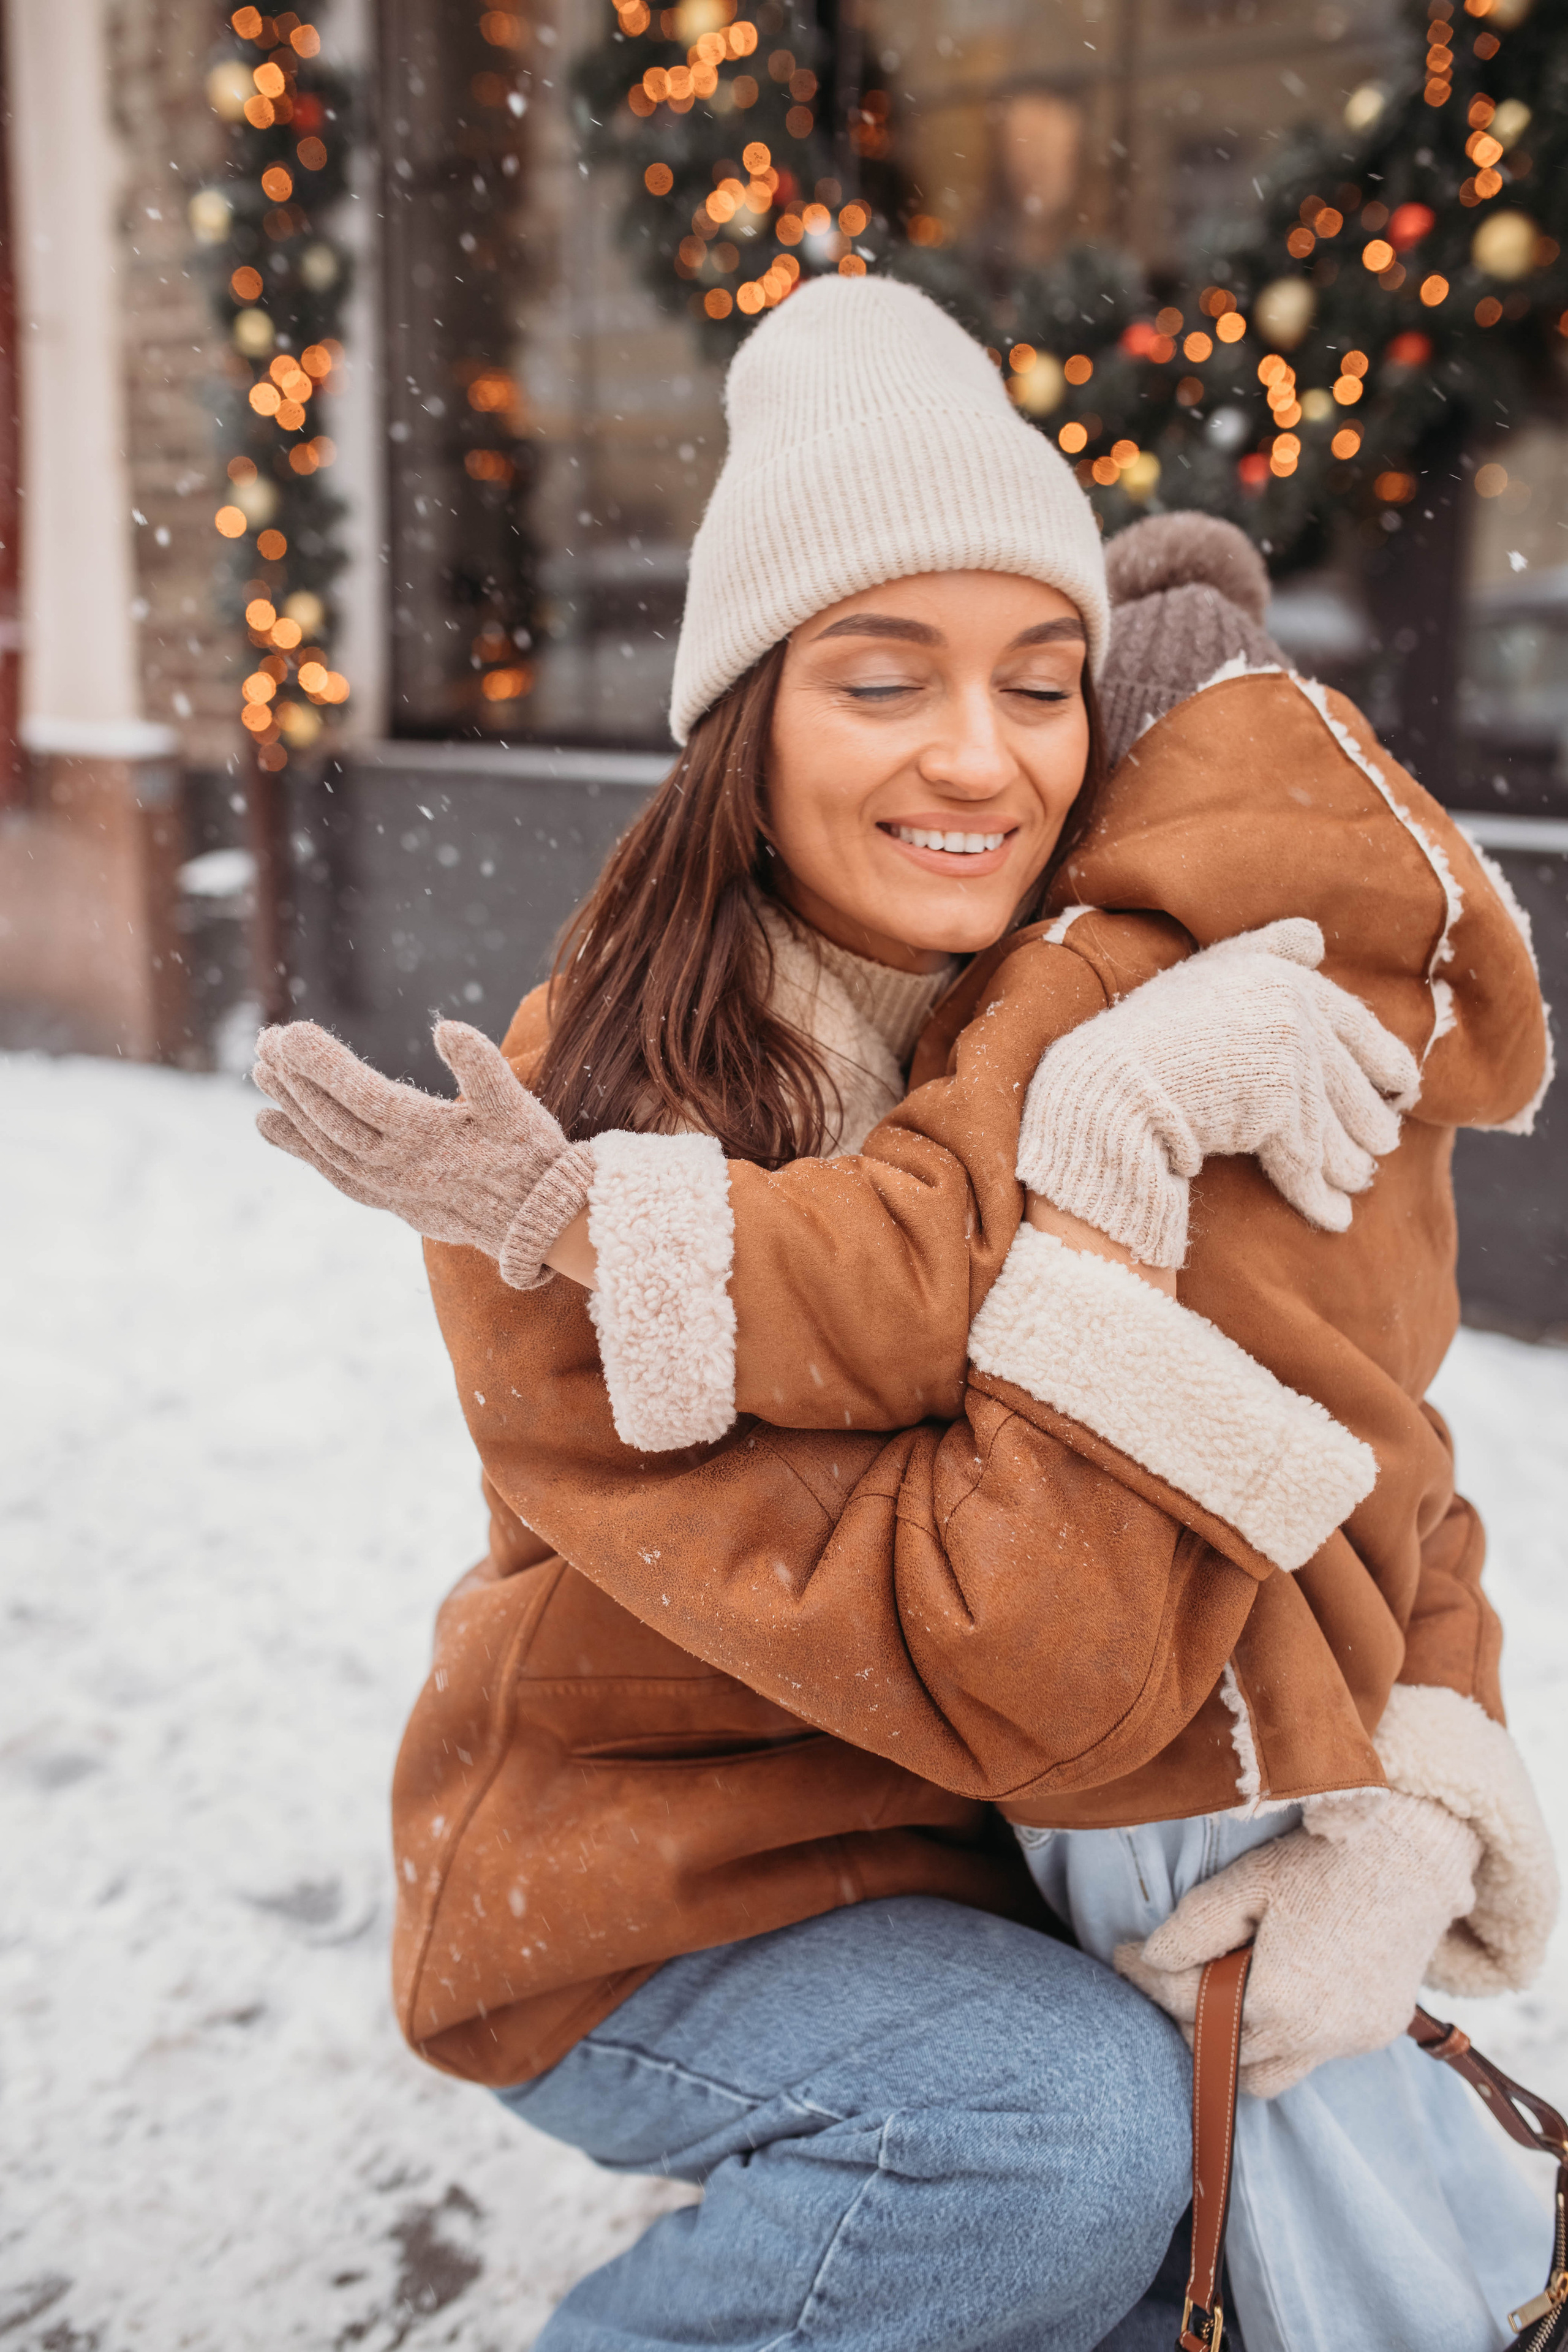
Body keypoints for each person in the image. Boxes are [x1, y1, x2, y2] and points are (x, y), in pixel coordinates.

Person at [256, 279, 1557, 2350]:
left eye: (1043, 685)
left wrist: (1402, 1814)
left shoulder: (1088, 994)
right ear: (746, 717)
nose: (981, 758)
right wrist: (1112, 1158)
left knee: (1229, 2256)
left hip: (1005, 1880)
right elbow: (1019, 1669)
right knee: (1062, 2141)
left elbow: (1365, 1395)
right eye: (885, 680)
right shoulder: (586, 1159)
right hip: (654, 1899)